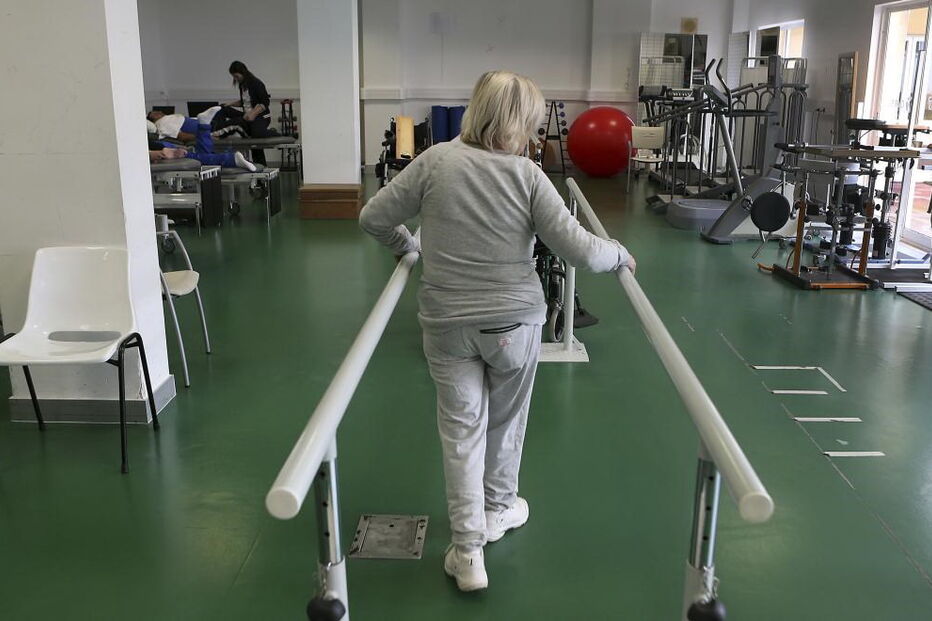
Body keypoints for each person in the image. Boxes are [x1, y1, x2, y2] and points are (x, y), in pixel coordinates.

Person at [358, 71, 636, 592]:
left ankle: (468, 552)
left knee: (461, 432)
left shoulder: (435, 161)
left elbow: (373, 217)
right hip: (513, 324)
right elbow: (579, 249)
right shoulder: (527, 175)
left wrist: (406, 246)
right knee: (505, 424)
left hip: (447, 325)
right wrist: (619, 253)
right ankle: (498, 509)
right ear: (521, 123)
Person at [211, 60, 274, 165]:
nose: (235, 79)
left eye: (236, 76)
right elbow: (245, 102)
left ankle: (273, 133)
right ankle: (216, 130)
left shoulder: (257, 83)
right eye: (234, 77)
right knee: (222, 108)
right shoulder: (242, 85)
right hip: (247, 116)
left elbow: (265, 102)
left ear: (243, 72)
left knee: (255, 134)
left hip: (262, 117)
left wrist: (253, 113)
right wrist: (230, 104)